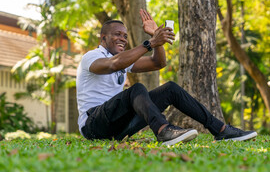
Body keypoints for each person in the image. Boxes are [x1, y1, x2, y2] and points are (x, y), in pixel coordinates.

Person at [76, 9, 257, 145]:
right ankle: (163, 131)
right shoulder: (91, 57)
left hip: (118, 128)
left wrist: (156, 40)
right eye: (117, 34)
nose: (123, 39)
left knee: (170, 89)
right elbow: (113, 64)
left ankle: (221, 130)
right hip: (93, 126)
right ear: (103, 38)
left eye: (124, 36)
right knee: (137, 89)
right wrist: (150, 42)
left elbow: (158, 63)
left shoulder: (125, 60)